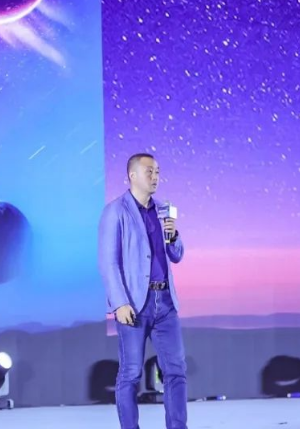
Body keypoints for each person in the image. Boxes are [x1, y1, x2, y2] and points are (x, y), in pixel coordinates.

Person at [98, 153, 188, 429]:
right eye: (149, 171)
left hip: (166, 302)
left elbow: (177, 255)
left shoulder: (163, 210)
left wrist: (173, 235)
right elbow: (108, 262)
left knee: (176, 371)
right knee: (131, 373)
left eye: (157, 171)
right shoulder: (116, 211)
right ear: (132, 175)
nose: (155, 176)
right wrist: (119, 303)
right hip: (135, 304)